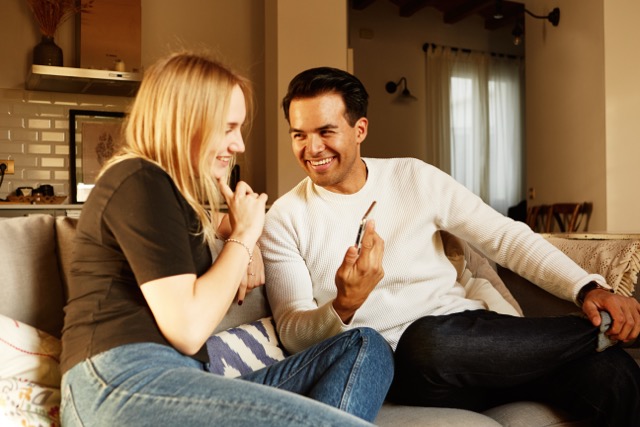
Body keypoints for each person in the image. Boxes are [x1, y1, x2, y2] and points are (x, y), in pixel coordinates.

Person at [260, 66, 640, 426]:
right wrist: (345, 303)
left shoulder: (413, 177)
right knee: (425, 343)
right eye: (299, 135)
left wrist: (587, 288)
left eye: (326, 131)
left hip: (483, 346)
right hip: (415, 369)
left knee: (612, 371)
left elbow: (504, 237)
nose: (312, 148)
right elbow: (293, 331)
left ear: (360, 129)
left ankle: (601, 332)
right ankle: (604, 331)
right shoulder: (285, 218)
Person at [59, 54, 394, 427]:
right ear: (187, 121)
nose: (239, 145)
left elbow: (207, 224)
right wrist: (245, 237)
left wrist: (241, 232)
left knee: (365, 345)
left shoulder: (166, 194)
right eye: (229, 127)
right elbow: (187, 329)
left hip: (179, 378)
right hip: (120, 382)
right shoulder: (138, 178)